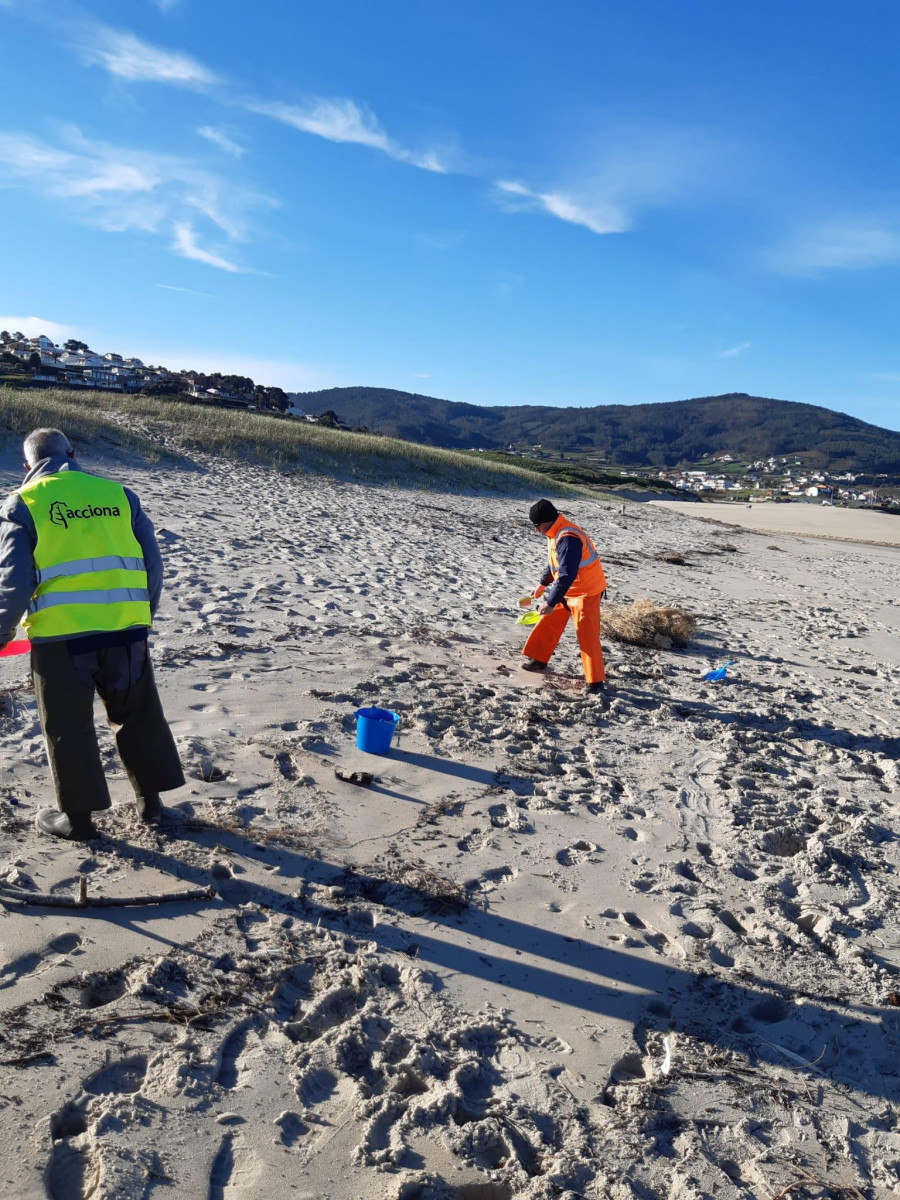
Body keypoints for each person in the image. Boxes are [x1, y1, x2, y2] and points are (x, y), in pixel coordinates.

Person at [0, 428, 185, 840]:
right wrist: (143, 616)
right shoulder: (119, 495)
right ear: (72, 452)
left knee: (68, 726)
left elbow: (13, 585)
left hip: (62, 639)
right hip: (126, 631)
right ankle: (151, 806)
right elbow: (152, 565)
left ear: (27, 466)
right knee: (137, 714)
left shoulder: (23, 503)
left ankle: (79, 821)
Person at [521, 498, 608, 695]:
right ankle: (539, 659)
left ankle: (595, 682)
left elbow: (567, 574)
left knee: (586, 634)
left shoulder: (568, 537)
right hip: (568, 588)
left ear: (547, 521)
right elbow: (554, 564)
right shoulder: (554, 533)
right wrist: (542, 584)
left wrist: (551, 601)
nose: (536, 530)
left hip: (587, 591)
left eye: (536, 525)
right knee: (547, 620)